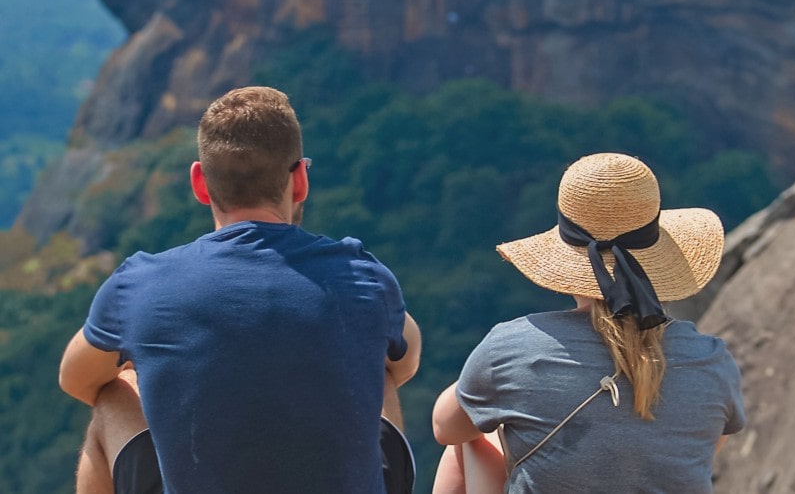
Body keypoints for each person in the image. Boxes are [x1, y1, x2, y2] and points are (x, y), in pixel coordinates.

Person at [59, 85, 421, 494]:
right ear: (300, 179)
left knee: (113, 393)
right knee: (381, 366)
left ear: (199, 182)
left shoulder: (139, 285)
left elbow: (76, 380)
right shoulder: (364, 277)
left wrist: (148, 365)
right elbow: (406, 360)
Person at [432, 152, 744, 494]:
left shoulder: (512, 345)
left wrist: (492, 373)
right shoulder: (713, 361)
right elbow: (705, 450)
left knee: (472, 436)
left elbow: (445, 428)